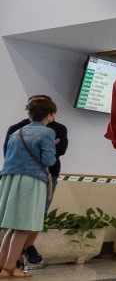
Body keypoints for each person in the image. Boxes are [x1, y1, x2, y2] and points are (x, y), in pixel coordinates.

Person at [3, 95, 67, 268]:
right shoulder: (47, 132)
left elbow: (8, 155)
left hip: (11, 178)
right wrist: (49, 147)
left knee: (14, 225)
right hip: (33, 180)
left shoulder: (18, 130)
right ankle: (11, 267)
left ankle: (4, 265)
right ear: (49, 114)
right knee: (26, 223)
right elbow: (49, 159)